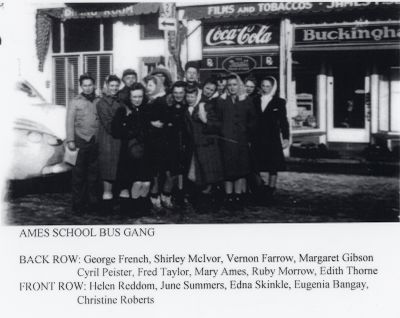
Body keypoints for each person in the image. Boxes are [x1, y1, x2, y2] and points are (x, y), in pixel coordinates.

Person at [216, 73, 256, 208]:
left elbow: (253, 120)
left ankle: (238, 196)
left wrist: (247, 134)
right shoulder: (221, 100)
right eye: (229, 85)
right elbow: (218, 120)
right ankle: (229, 197)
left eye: (234, 85)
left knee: (240, 170)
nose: (232, 88)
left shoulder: (246, 100)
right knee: (228, 170)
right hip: (226, 140)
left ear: (239, 85)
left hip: (241, 140)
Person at [112, 83, 151, 215]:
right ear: (130, 97)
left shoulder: (147, 109)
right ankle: (135, 208)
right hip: (130, 151)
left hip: (147, 150)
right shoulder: (123, 110)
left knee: (146, 182)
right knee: (135, 181)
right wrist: (133, 132)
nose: (137, 99)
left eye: (140, 96)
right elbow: (116, 130)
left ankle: (143, 206)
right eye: (134, 97)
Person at [251, 76, 290, 203]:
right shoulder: (254, 100)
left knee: (273, 166)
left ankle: (271, 189)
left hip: (272, 138)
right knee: (254, 165)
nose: (265, 89)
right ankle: (259, 187)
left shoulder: (279, 102)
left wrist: (286, 137)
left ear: (272, 87)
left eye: (268, 86)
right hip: (257, 137)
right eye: (263, 86)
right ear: (260, 87)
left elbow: (284, 121)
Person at [185, 86, 223, 211]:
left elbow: (216, 125)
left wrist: (205, 120)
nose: (190, 99)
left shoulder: (205, 106)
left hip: (207, 146)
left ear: (197, 96)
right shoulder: (186, 109)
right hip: (194, 147)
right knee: (195, 176)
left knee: (208, 177)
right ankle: (201, 202)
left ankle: (207, 204)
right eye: (188, 96)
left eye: (192, 96)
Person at [66, 73, 100, 214]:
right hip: (80, 140)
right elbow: (69, 122)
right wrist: (70, 140)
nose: (87, 88)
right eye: (84, 85)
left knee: (93, 175)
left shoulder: (99, 101)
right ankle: (78, 205)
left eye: (90, 85)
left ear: (94, 86)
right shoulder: (75, 102)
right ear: (81, 86)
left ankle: (92, 204)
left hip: (95, 141)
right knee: (79, 175)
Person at [144, 75, 170, 211]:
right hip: (150, 141)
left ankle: (157, 197)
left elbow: (163, 121)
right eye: (147, 85)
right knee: (153, 171)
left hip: (159, 141)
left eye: (150, 85)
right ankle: (154, 196)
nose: (147, 88)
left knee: (158, 171)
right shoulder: (150, 100)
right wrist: (150, 123)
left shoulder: (161, 100)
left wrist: (152, 123)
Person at [96, 75, 122, 211]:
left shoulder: (120, 101)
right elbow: (109, 124)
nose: (114, 88)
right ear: (106, 86)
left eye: (116, 86)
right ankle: (106, 205)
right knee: (108, 171)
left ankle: (114, 202)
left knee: (117, 170)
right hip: (107, 141)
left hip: (119, 141)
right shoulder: (102, 103)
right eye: (112, 85)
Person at [165, 81, 190, 207]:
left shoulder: (187, 106)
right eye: (176, 93)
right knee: (172, 171)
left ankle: (182, 194)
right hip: (172, 144)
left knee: (183, 171)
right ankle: (170, 195)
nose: (178, 95)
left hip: (185, 143)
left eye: (181, 93)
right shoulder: (169, 106)